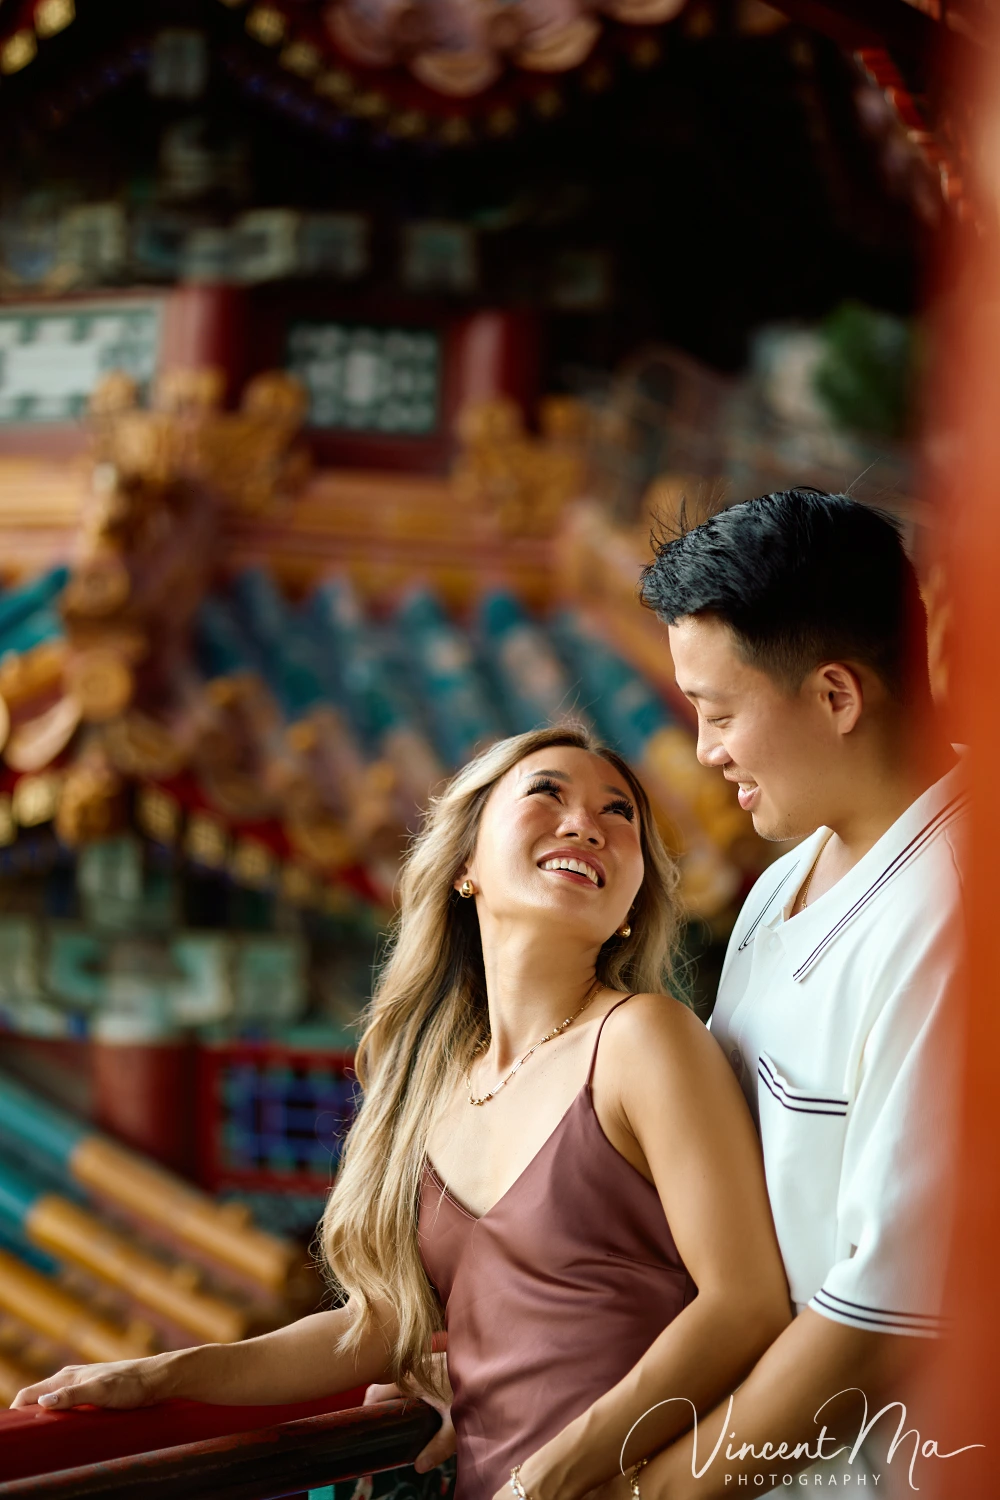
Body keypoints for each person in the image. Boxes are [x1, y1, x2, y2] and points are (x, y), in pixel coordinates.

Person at [12, 725, 791, 1500]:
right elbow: (380, 1326)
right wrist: (164, 1373)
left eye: (620, 813)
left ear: (632, 901)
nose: (586, 823)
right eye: (547, 793)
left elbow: (745, 1304)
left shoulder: (643, 1041)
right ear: (465, 866)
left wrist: (558, 1472)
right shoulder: (423, 1078)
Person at [622, 488, 965, 1496]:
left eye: (720, 712)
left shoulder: (954, 915)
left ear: (834, 697)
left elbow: (878, 1314)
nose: (705, 750)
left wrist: (655, 1490)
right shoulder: (784, 880)